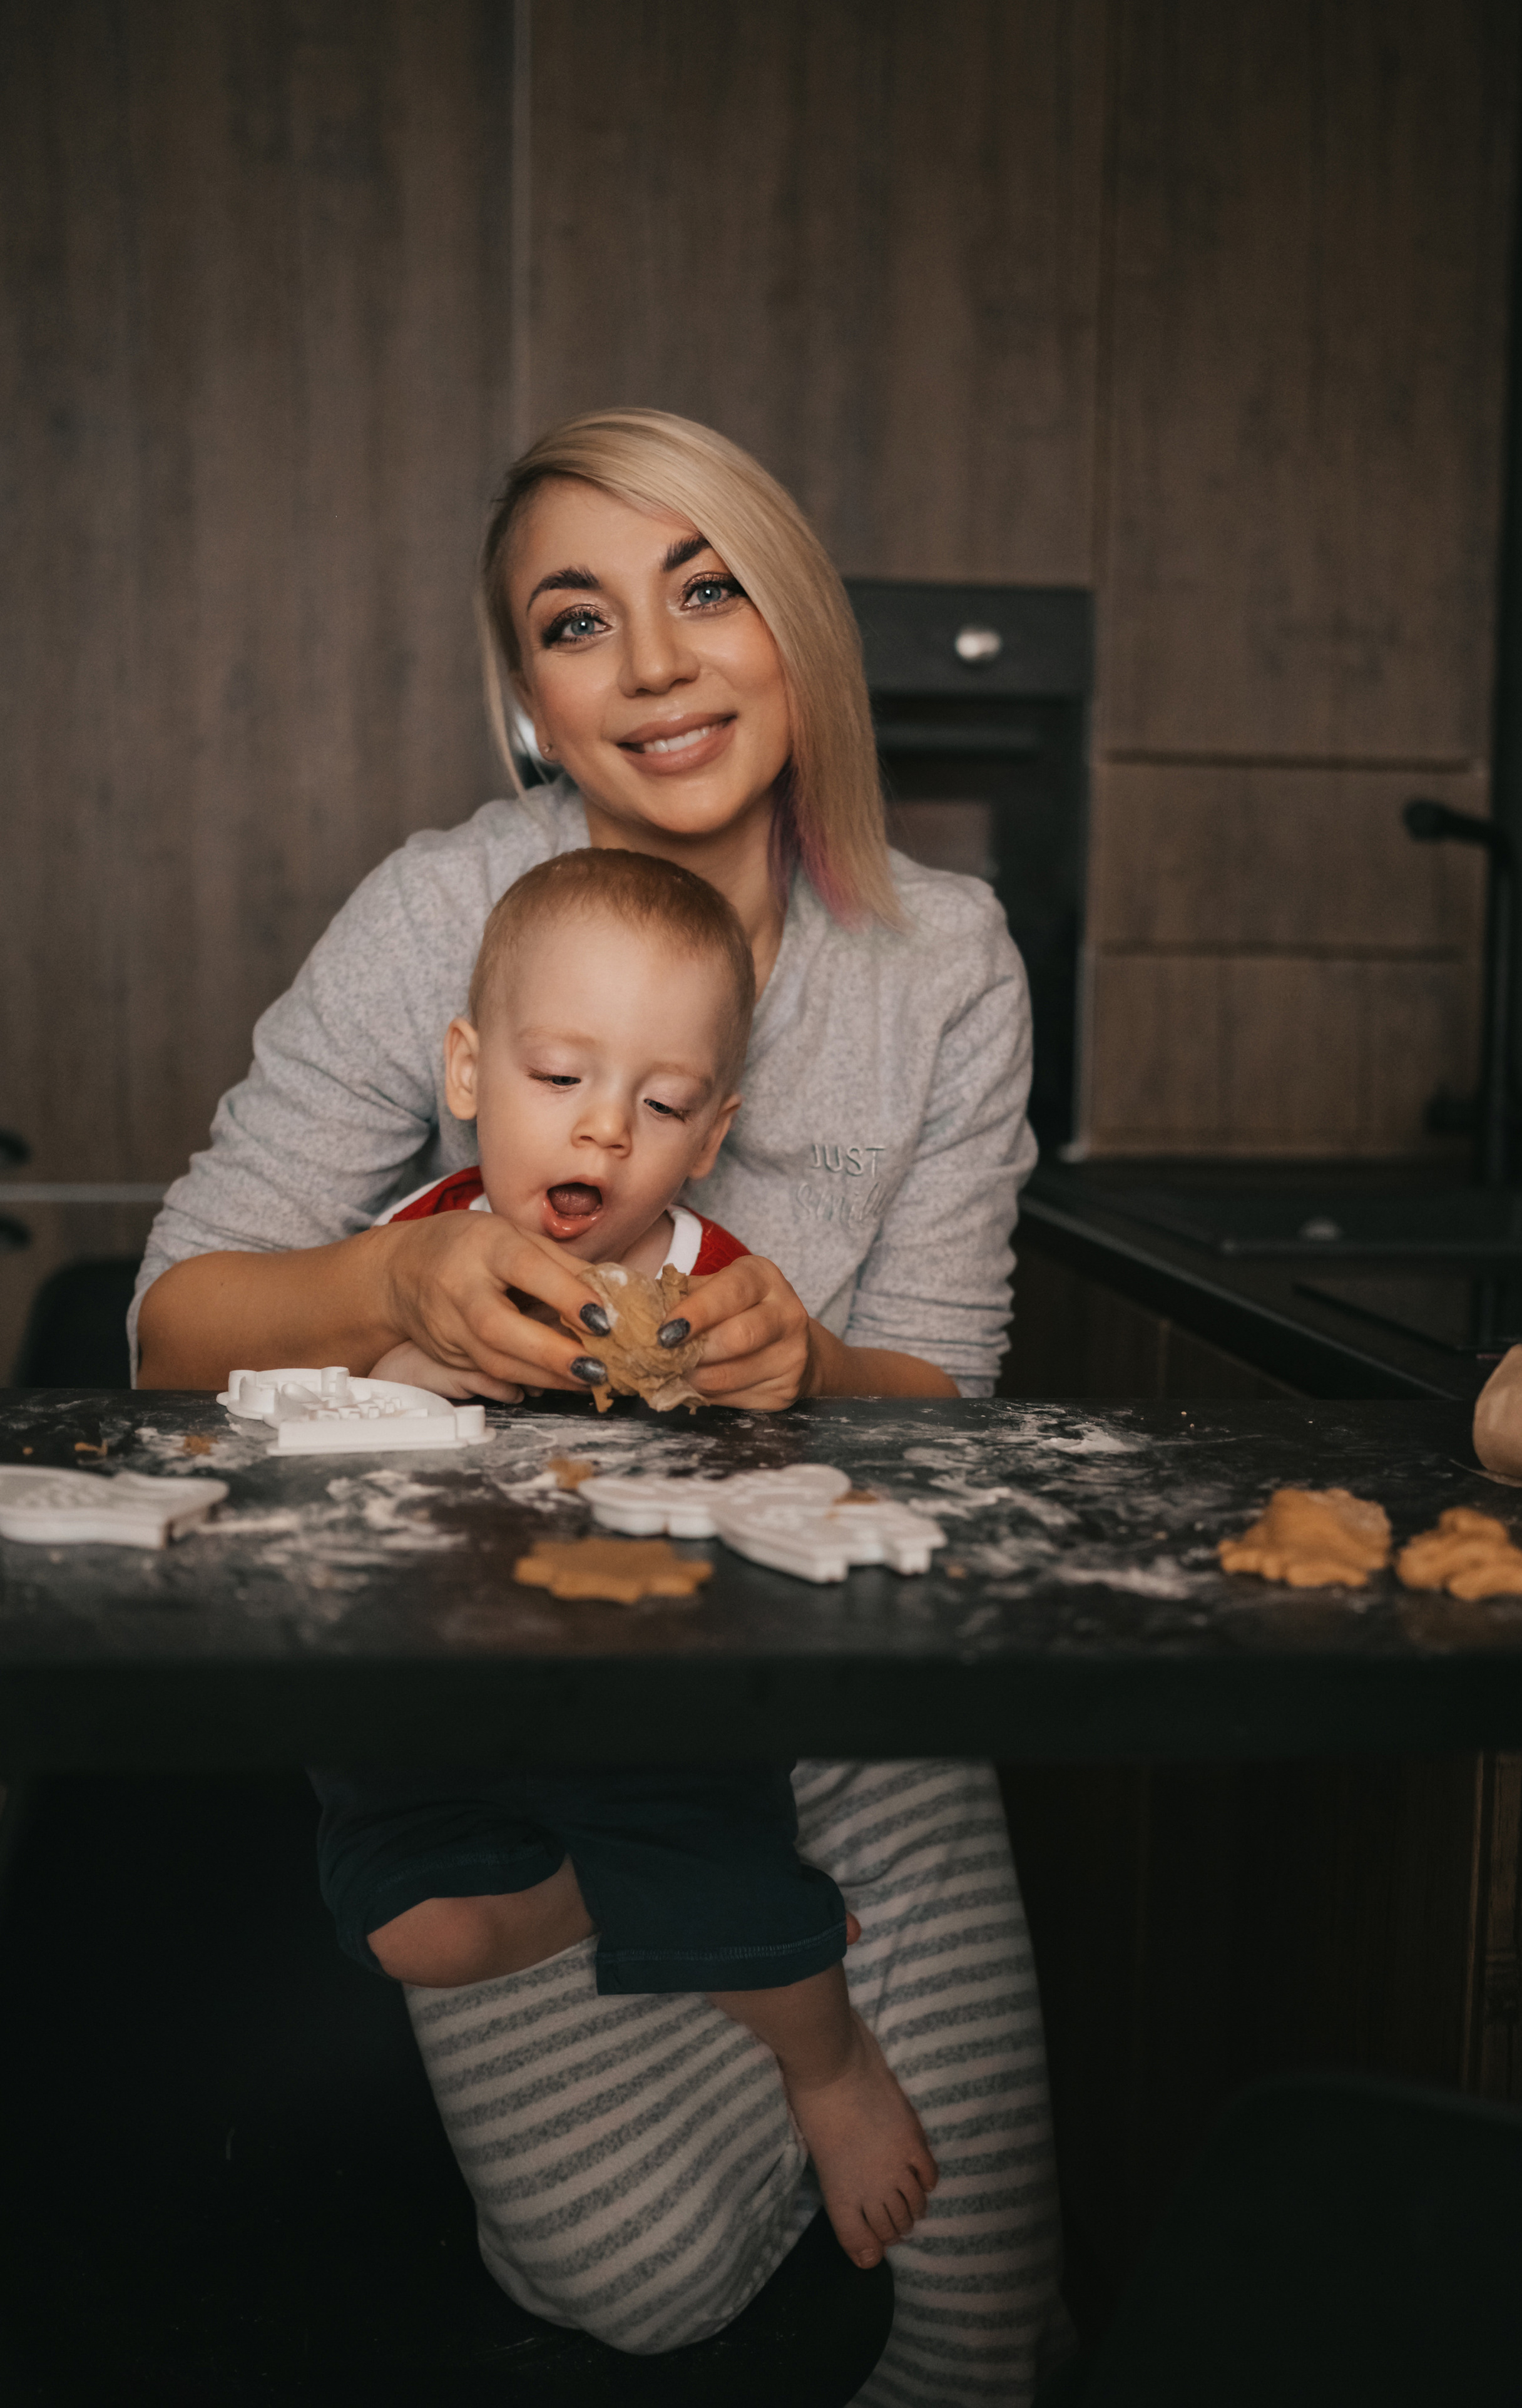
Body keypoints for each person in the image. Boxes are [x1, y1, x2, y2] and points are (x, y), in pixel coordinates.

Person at [135, 407, 1070, 2402]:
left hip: (829, 1665)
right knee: (634, 2281)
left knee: (981, 2334)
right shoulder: (438, 913)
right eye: (579, 620)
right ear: (531, 705)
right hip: (496, 1679)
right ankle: (749, 1950)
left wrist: (812, 1367)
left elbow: (946, 1404)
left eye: (706, 589)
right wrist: (396, 1275)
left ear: (796, 629)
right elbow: (172, 1326)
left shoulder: (947, 963)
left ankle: (830, 2018)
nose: (652, 664)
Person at [315, 843, 939, 2273]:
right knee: (410, 1928)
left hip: (654, 1689)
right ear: (466, 1072)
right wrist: (403, 1359)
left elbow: (863, 1452)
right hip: (432, 1689)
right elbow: (302, 1428)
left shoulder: (723, 1294)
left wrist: (781, 1388)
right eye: (557, 1081)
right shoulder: (406, 1249)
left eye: (656, 1105)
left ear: (711, 1130)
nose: (602, 1134)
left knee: (741, 1910)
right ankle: (630, 1889)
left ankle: (824, 2059)